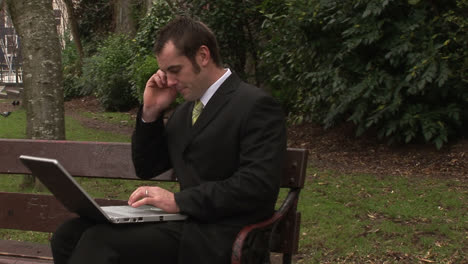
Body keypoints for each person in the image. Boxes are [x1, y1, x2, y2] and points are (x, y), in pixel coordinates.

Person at [50, 16, 286, 264]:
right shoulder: (185, 112)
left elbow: (257, 186)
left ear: (203, 56)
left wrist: (178, 201)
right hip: (184, 224)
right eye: (165, 73)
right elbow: (148, 167)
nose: (170, 81)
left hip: (222, 234)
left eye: (175, 71)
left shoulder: (254, 105)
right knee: (68, 235)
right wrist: (151, 113)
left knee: (100, 241)